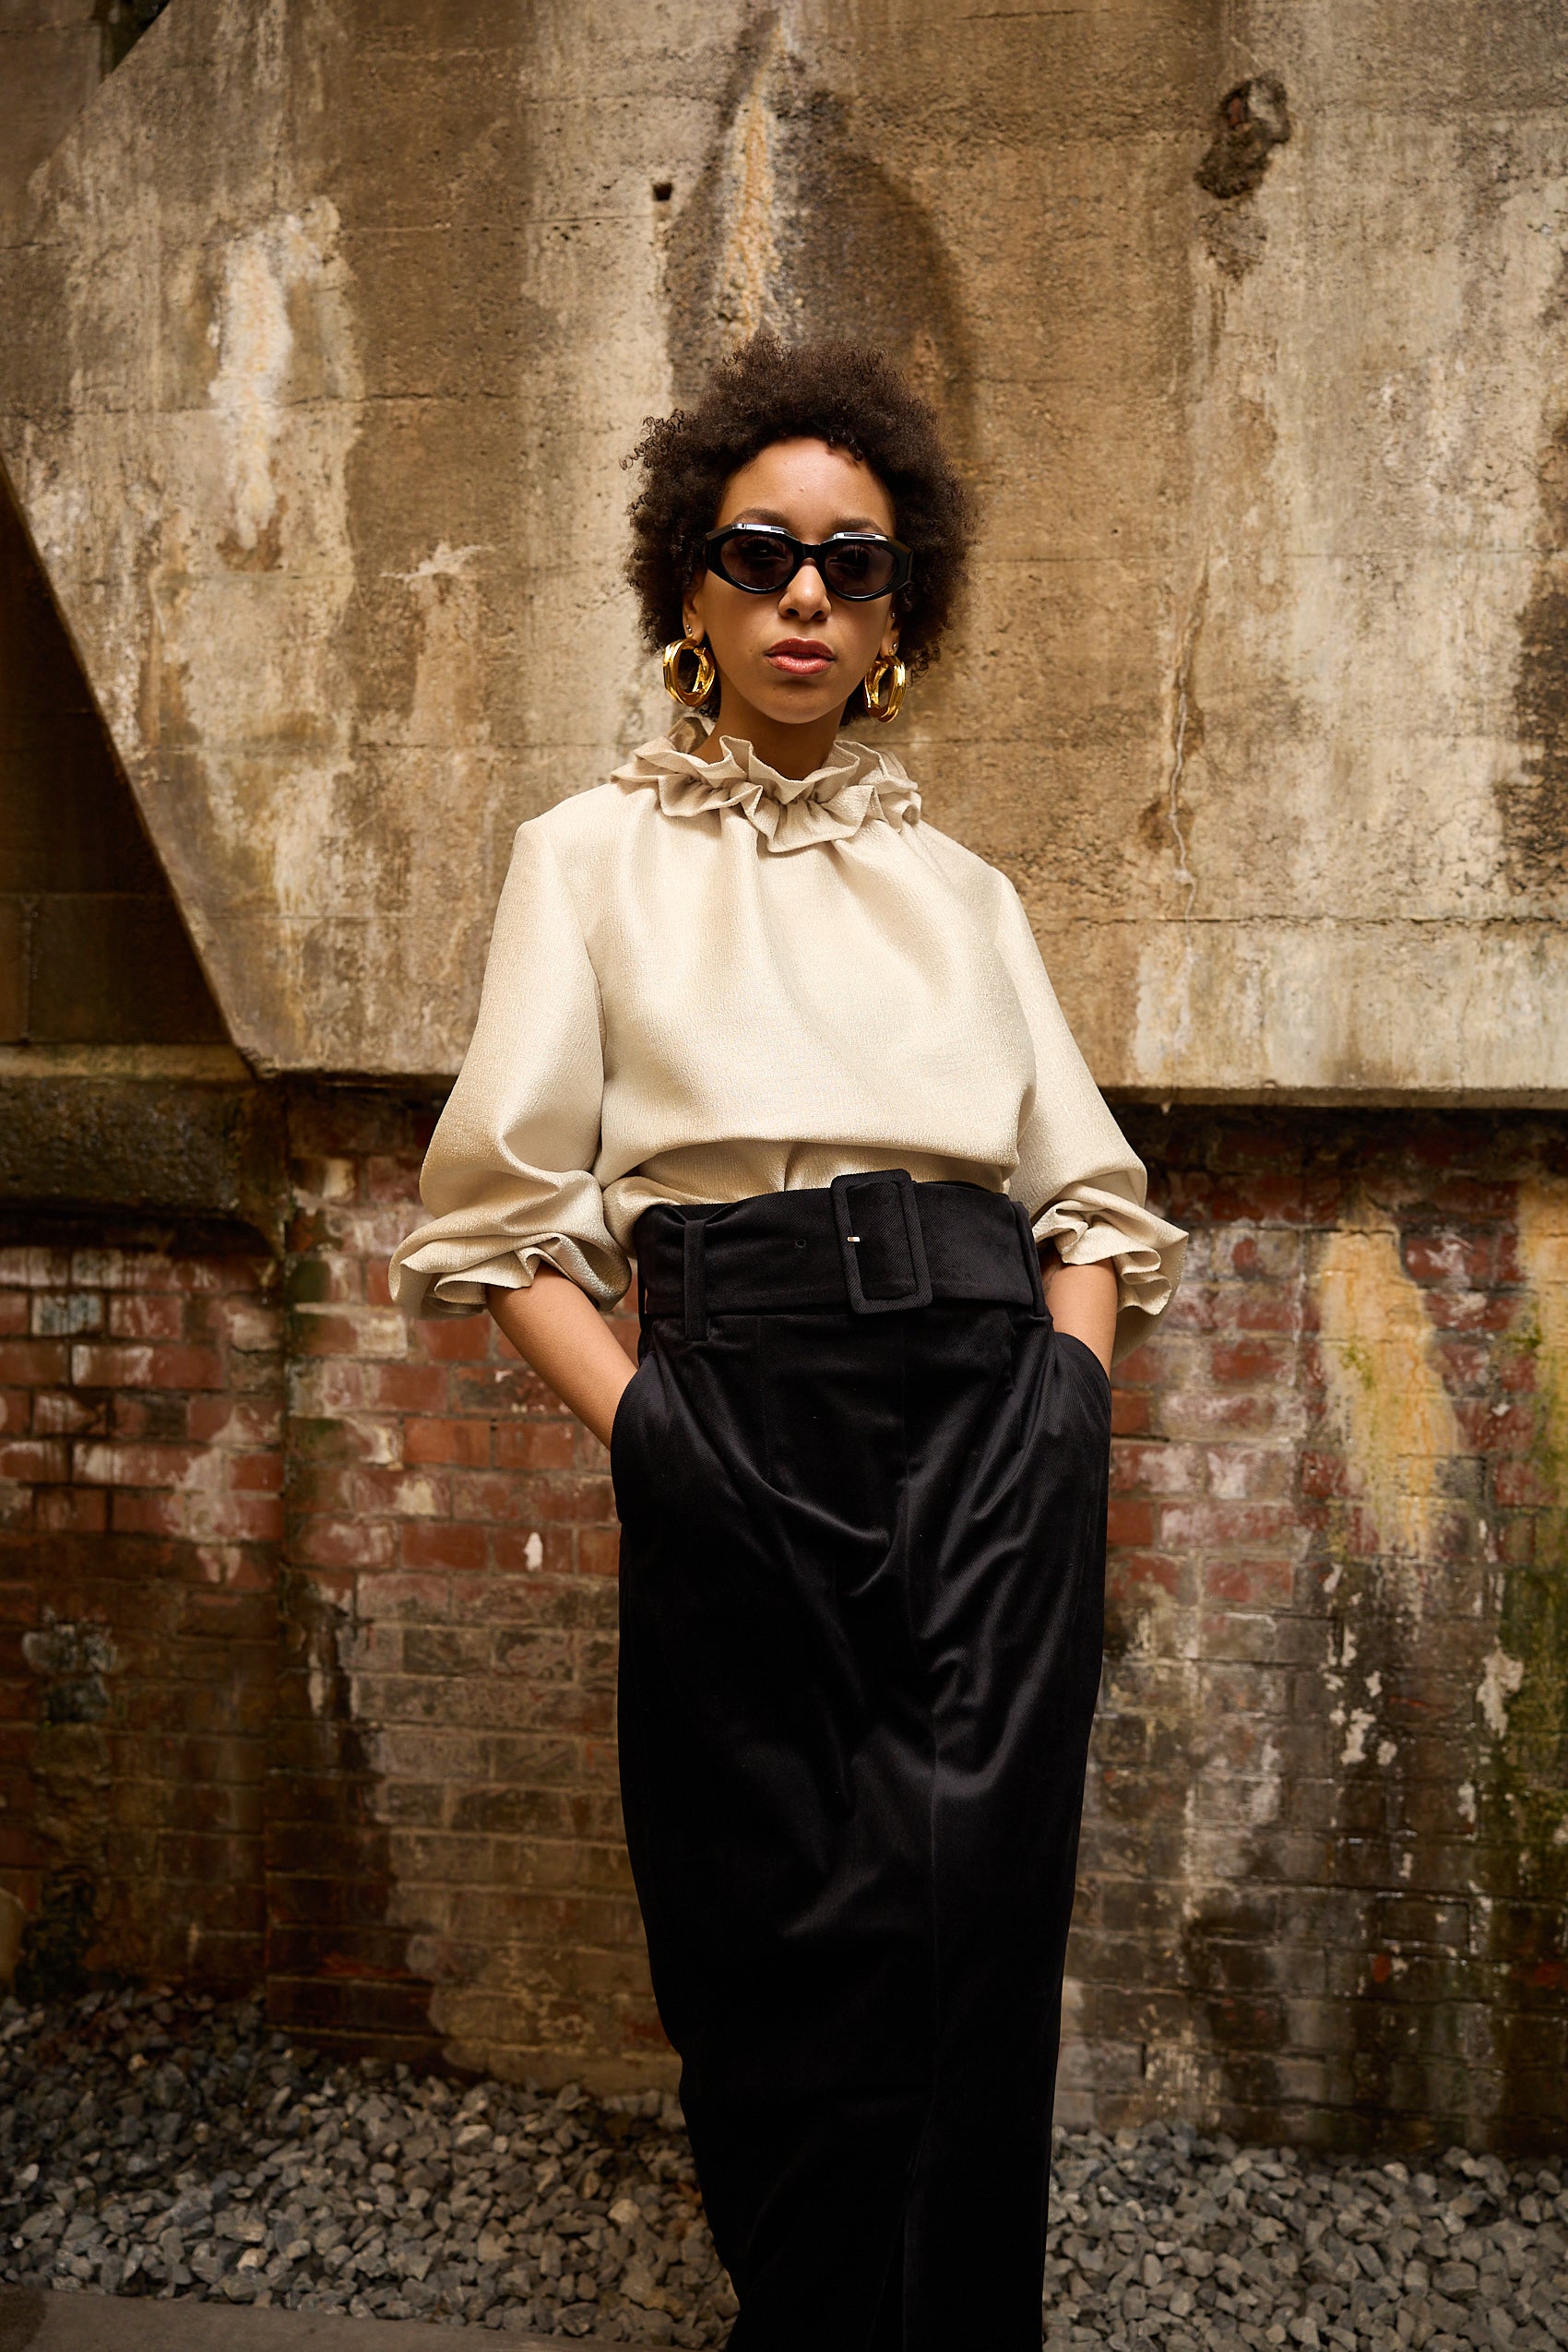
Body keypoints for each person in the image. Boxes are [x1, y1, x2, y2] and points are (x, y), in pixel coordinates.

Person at [390, 335, 1184, 2352]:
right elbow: (495, 1225)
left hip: (993, 1437)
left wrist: (1068, 1405)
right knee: (774, 1949)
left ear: (902, 610)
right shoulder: (587, 860)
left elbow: (1083, 1205)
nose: (806, 595)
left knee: (969, 1955)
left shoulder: (962, 891)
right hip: (737, 1413)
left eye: (854, 560)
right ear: (690, 591)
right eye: (758, 554)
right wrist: (653, 1429)